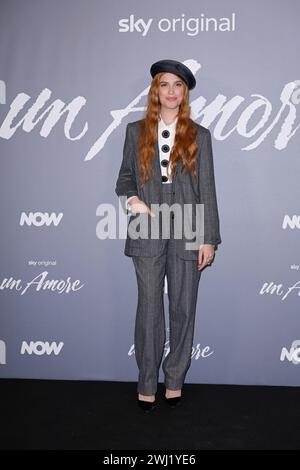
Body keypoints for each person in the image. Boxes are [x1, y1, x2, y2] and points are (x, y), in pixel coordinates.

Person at [115, 59, 221, 413]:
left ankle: (174, 379)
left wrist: (209, 238)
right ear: (155, 90)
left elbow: (207, 189)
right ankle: (147, 381)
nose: (171, 91)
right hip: (146, 224)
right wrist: (131, 199)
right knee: (149, 307)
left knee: (183, 306)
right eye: (165, 84)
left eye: (178, 85)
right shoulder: (134, 131)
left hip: (189, 225)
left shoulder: (200, 135)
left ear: (185, 92)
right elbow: (125, 176)